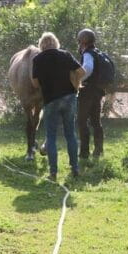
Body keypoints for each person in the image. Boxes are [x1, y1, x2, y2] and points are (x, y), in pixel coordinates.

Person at [32, 32, 85, 181]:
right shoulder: (65, 55)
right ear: (56, 43)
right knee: (70, 134)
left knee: (51, 136)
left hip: (50, 101)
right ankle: (75, 169)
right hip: (69, 98)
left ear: (41, 45)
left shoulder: (37, 59)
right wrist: (75, 85)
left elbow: (35, 83)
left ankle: (53, 173)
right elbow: (82, 71)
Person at [76, 28, 105, 159]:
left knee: (82, 122)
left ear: (83, 41)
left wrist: (77, 79)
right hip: (97, 92)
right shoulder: (97, 52)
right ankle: (99, 150)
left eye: (79, 41)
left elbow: (88, 68)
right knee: (96, 122)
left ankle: (84, 152)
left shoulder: (88, 54)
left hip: (87, 92)